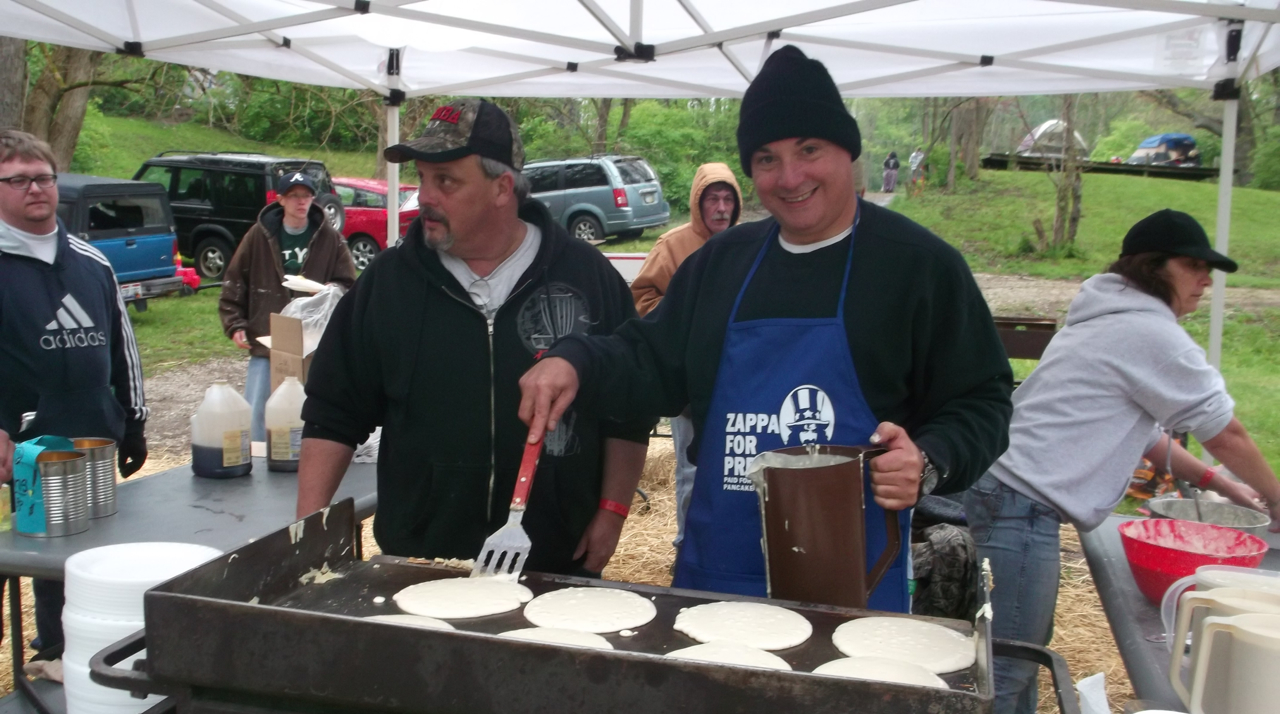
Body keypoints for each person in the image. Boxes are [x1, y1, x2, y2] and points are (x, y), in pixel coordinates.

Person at [518, 47, 1012, 609]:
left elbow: (983, 400)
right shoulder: (720, 265)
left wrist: (928, 459)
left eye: (809, 150)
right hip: (718, 575)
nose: (790, 176)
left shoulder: (918, 267)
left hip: (855, 584)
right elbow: (650, 363)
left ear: (846, 153)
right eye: (767, 158)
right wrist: (576, 359)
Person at [965, 209, 1280, 714]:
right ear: (1152, 269)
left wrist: (1218, 483)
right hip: (1016, 505)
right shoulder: (1149, 331)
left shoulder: (1105, 319)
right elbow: (1225, 431)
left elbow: (1143, 431)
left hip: (1000, 492)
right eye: (1193, 266)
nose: (1206, 280)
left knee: (1014, 656)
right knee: (1006, 667)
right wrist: (1276, 498)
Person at [295, 99, 652, 574]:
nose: (424, 196)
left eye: (446, 181)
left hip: (553, 561)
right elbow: (332, 414)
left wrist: (612, 512)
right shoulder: (389, 284)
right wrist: (307, 533)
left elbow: (627, 411)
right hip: (419, 562)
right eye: (422, 177)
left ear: (503, 187)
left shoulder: (588, 278)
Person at [0, 129, 148, 651]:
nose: (34, 189)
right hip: (17, 449)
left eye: (43, 178)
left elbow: (122, 349)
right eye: (18, 180)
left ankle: (60, 656)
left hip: (84, 446)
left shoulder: (91, 262)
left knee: (75, 567)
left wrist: (132, 424)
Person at [630, 163, 742, 550]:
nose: (721, 208)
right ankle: (686, 546)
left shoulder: (747, 245)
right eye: (713, 199)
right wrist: (688, 327)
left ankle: (726, 544)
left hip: (736, 378)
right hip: (689, 379)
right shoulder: (673, 245)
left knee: (737, 467)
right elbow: (642, 299)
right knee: (692, 467)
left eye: (728, 199)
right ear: (698, 203)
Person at [218, 171, 355, 443]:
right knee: (258, 409)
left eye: (306, 196)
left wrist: (327, 292)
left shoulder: (330, 237)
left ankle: (305, 457)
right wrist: (235, 324)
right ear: (280, 200)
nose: (301, 202)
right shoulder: (259, 235)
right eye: (294, 196)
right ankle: (257, 464)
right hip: (268, 338)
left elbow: (348, 283)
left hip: (314, 343)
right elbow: (235, 280)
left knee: (312, 408)